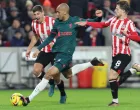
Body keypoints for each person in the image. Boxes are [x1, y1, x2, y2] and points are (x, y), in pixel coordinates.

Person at [21, 3, 104, 106]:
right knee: (67, 74)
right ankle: (91, 63)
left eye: (58, 12)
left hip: (66, 54)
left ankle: (28, 99)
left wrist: (99, 17)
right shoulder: (57, 23)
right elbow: (50, 38)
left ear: (64, 12)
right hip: (56, 52)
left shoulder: (74, 21)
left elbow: (94, 22)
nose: (56, 14)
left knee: (48, 74)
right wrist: (38, 48)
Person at [76, 0, 140, 106]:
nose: (115, 10)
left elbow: (137, 37)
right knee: (115, 80)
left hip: (124, 54)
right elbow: (102, 25)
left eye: (117, 9)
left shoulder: (128, 23)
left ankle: (115, 102)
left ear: (123, 11)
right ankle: (133, 69)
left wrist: (127, 35)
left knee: (111, 76)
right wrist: (87, 22)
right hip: (115, 54)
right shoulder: (113, 20)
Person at [25, 5, 67, 103]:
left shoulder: (52, 21)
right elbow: (36, 37)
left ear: (43, 12)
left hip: (56, 51)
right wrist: (29, 49)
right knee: (36, 70)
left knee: (57, 77)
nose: (36, 16)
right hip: (44, 50)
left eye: (38, 14)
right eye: (35, 14)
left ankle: (63, 93)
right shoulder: (34, 23)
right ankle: (50, 82)